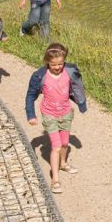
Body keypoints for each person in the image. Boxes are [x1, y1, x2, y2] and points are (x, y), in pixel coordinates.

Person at [25, 42, 88, 194]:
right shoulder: (41, 76)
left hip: (66, 113)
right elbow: (30, 95)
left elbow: (77, 88)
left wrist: (81, 104)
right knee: (57, 146)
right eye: (53, 64)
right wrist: (31, 115)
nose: (57, 67)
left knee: (65, 143)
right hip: (49, 114)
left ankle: (63, 163)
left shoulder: (69, 72)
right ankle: (55, 179)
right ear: (47, 62)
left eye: (60, 63)